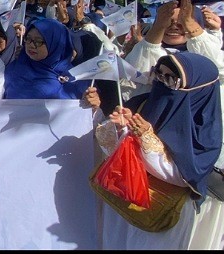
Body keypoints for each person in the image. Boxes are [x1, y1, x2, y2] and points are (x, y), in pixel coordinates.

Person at [91, 52, 224, 249]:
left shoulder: (205, 130)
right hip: (123, 200)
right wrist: (121, 127)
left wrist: (145, 137)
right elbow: (115, 152)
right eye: (158, 74)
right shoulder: (143, 102)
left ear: (196, 87)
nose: (161, 82)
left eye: (170, 78)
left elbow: (184, 176)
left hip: (161, 210)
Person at [4, 18, 86, 99]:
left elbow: (87, 109)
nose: (31, 45)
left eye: (38, 41)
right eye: (28, 39)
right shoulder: (14, 69)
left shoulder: (76, 78)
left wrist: (91, 102)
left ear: (56, 44)